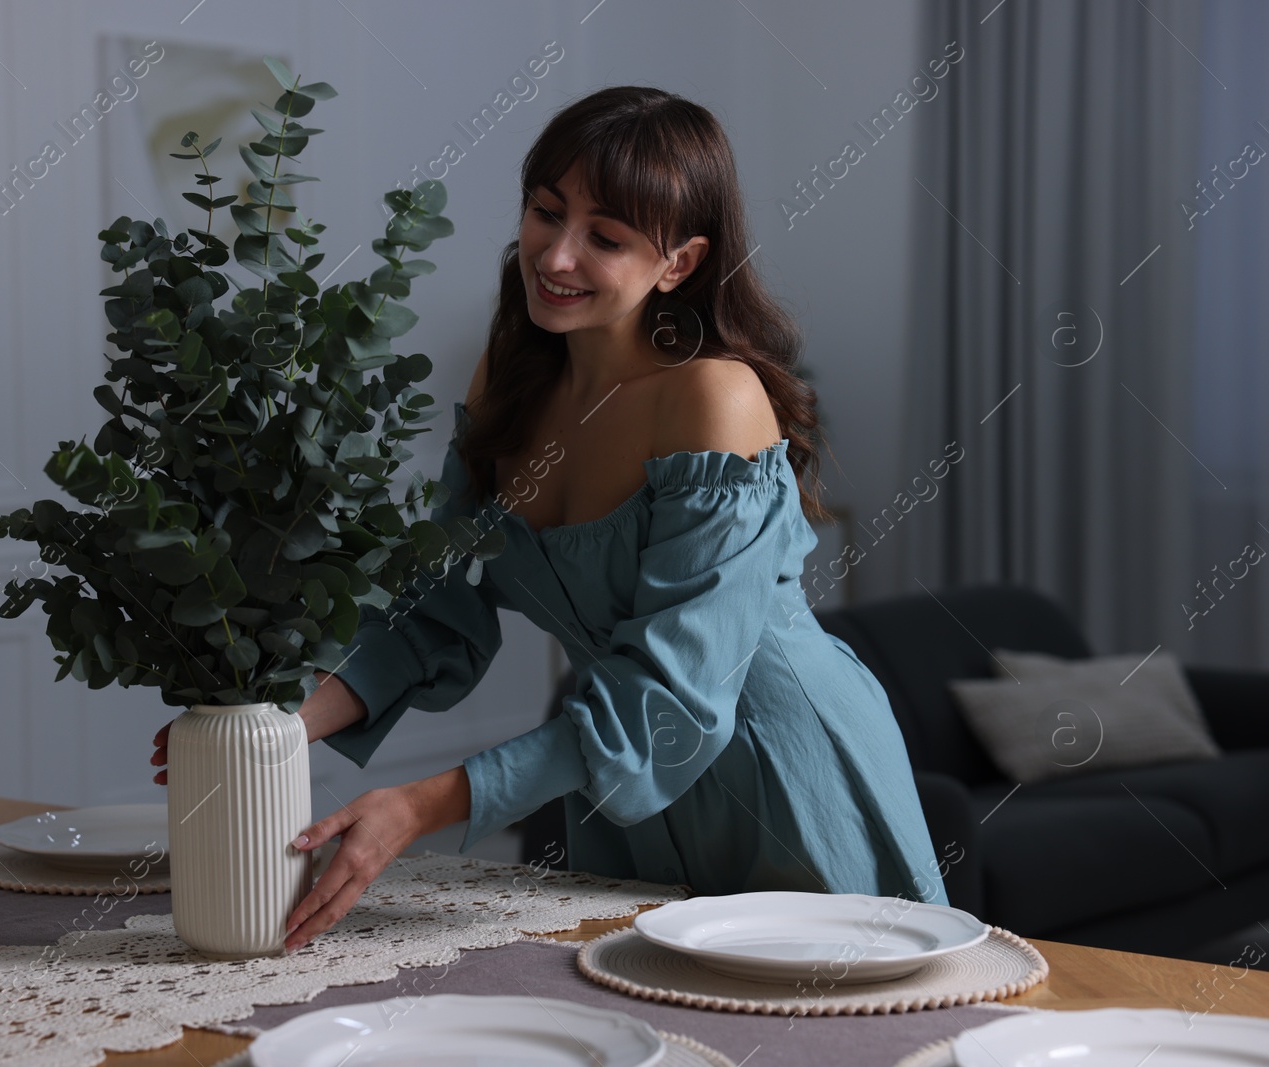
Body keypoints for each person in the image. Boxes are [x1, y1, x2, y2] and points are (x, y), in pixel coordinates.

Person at [152, 85, 945, 953]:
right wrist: (272, 726)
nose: (556, 256)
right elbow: (437, 610)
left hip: (782, 768)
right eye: (545, 212)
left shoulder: (713, 397)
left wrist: (424, 803)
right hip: (618, 783)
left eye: (605, 238)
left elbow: (671, 700)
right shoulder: (511, 378)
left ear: (678, 262)